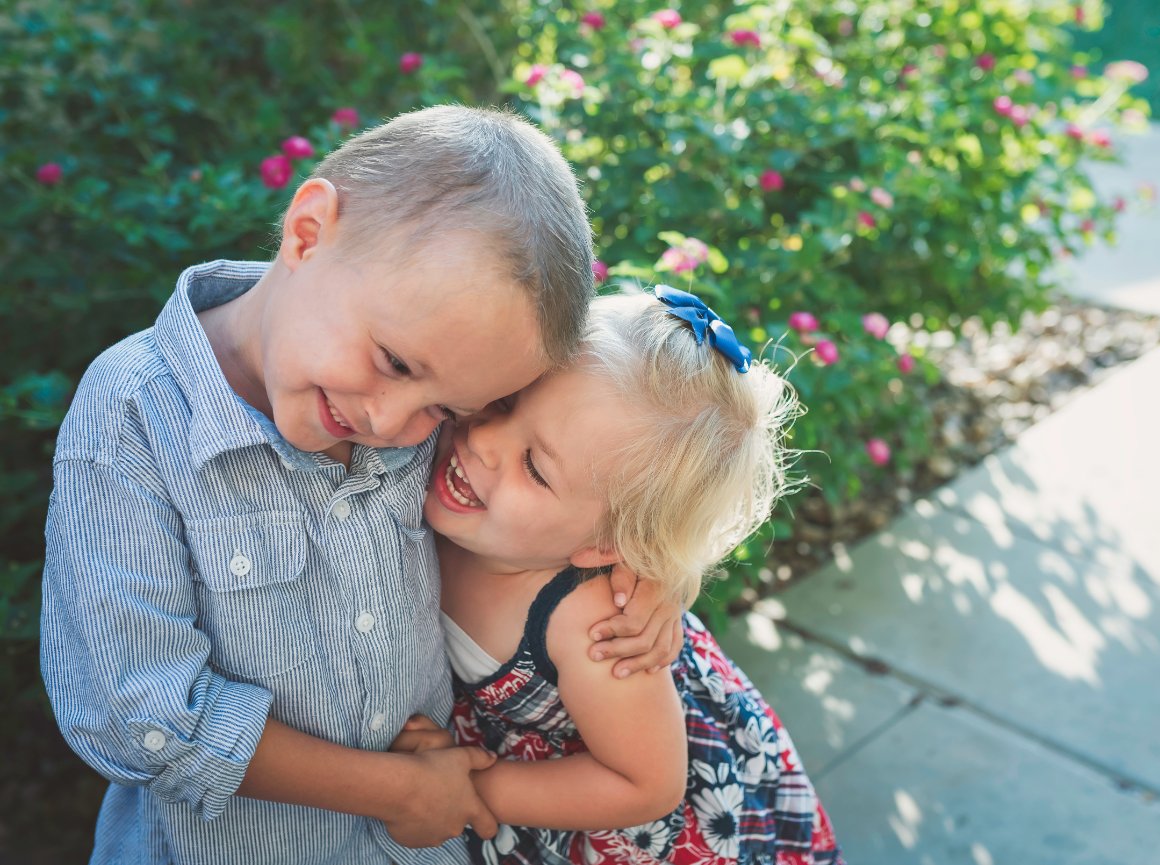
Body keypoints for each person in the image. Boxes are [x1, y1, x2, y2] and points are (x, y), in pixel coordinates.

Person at [40, 105, 678, 865]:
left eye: (444, 409)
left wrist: (645, 568)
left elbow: (582, 474)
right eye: (394, 364)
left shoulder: (424, 373)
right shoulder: (133, 420)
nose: (390, 421)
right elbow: (139, 715)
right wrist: (398, 790)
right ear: (308, 231)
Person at [395, 286, 843, 865]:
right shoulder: (467, 478)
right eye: (505, 403)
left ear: (606, 547)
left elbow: (646, 784)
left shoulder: (594, 624)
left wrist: (469, 789)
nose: (481, 441)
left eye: (535, 467)